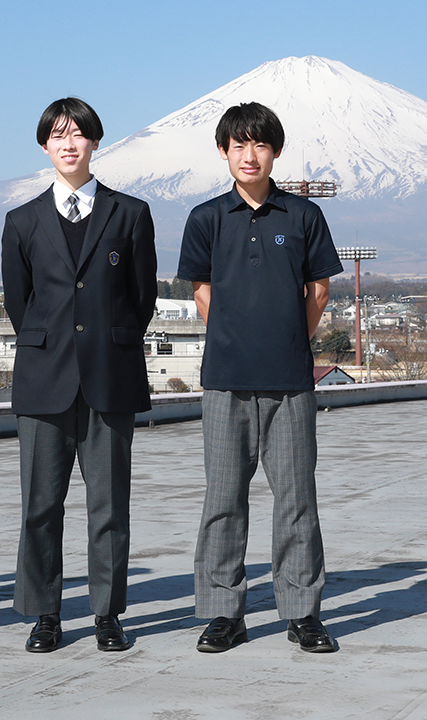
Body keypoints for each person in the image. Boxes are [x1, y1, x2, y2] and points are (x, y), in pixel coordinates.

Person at [179, 102, 343, 653]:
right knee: (224, 497)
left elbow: (319, 289)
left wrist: (288, 339)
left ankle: (302, 611)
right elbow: (201, 291)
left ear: (275, 151)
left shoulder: (302, 216)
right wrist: (235, 334)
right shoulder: (205, 218)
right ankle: (224, 612)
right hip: (225, 379)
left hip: (290, 381)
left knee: (296, 497)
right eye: (239, 145)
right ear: (223, 151)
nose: (250, 155)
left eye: (261, 145)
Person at [1, 98, 158, 653]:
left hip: (109, 377)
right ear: (44, 145)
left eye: (79, 135)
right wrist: (55, 346)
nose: (69, 144)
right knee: (39, 506)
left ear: (96, 142)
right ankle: (44, 614)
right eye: (58, 135)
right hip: (44, 380)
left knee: (109, 506)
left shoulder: (130, 213)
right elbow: (22, 308)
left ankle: (106, 613)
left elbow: (140, 301)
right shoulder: (21, 221)